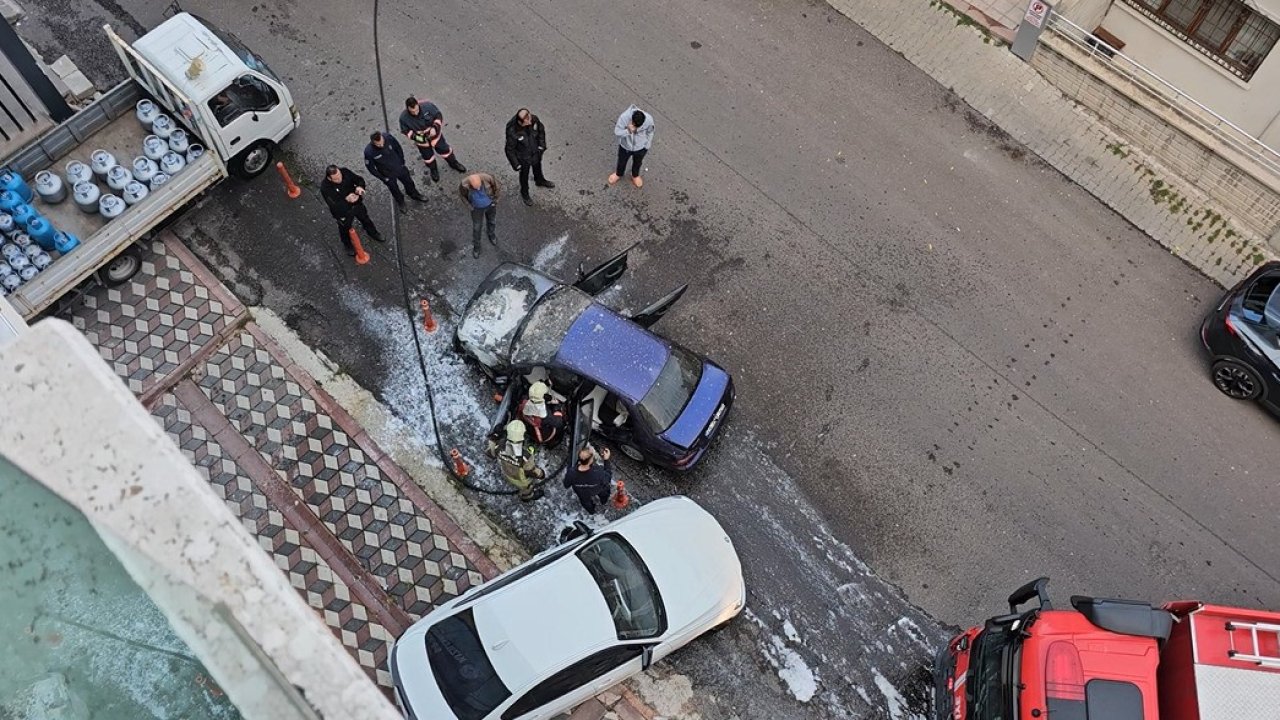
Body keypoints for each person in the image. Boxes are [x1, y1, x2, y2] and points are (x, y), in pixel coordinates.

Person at [399, 96, 466, 183]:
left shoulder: (428, 106)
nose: (415, 113)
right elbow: (406, 131)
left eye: (416, 110)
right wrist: (420, 138)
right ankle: (433, 170)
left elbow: (438, 116)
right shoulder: (403, 118)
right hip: (422, 142)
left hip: (436, 137)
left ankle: (454, 163)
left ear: (418, 105)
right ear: (408, 108)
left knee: (446, 151)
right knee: (428, 158)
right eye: (412, 112)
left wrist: (435, 127)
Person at [319, 165, 381, 256]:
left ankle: (373, 233)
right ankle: (347, 245)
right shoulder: (325, 187)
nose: (339, 179)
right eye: (336, 179)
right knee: (344, 228)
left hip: (356, 204)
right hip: (343, 212)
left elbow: (359, 179)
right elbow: (333, 204)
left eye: (340, 175)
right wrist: (346, 200)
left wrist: (360, 187)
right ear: (329, 178)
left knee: (365, 218)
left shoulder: (345, 172)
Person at [364, 131, 426, 212]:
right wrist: (383, 178)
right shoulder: (369, 152)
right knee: (394, 189)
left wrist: (402, 162)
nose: (382, 145)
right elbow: (371, 168)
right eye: (378, 145)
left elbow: (398, 148)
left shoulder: (388, 138)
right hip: (387, 174)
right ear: (373, 143)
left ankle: (414, 194)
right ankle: (401, 202)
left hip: (399, 167)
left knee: (409, 182)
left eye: (382, 143)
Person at [504, 108, 555, 206]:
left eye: (529, 117)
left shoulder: (534, 120)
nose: (530, 121)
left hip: (535, 152)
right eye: (527, 120)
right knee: (524, 176)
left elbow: (541, 132)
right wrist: (516, 165)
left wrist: (541, 147)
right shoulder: (513, 132)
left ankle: (539, 180)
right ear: (520, 122)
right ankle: (525, 193)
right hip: (523, 158)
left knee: (537, 168)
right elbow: (509, 150)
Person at [486, 420, 545, 502]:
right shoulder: (526, 456)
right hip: (520, 480)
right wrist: (541, 474)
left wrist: (494, 436)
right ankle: (527, 496)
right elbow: (532, 472)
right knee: (527, 487)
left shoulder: (500, 445)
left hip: (506, 473)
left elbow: (490, 453)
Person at [608, 105, 655, 188]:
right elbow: (617, 132)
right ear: (632, 121)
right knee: (622, 162)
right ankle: (618, 174)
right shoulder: (624, 117)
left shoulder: (649, 119)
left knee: (638, 162)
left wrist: (647, 145)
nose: (636, 129)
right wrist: (628, 131)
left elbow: (650, 132)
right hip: (625, 146)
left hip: (641, 147)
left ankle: (635, 175)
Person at [458, 172, 499, 258]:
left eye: (479, 187)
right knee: (477, 228)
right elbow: (462, 196)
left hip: (490, 205)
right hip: (476, 209)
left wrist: (495, 201)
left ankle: (491, 234)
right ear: (470, 184)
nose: (478, 189)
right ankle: (477, 247)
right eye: (475, 188)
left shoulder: (488, 178)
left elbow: (497, 188)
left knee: (492, 221)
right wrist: (470, 207)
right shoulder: (464, 184)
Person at [563, 446, 614, 513]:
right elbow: (608, 478)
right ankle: (603, 501)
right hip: (597, 489)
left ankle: (591, 511)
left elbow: (566, 485)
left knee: (586, 503)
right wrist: (606, 460)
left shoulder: (571, 473)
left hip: (582, 493)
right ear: (590, 461)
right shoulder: (598, 471)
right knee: (605, 491)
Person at [518, 381, 565, 445]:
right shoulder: (545, 415)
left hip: (530, 428)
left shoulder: (525, 401)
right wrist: (557, 407)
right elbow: (559, 423)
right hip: (546, 437)